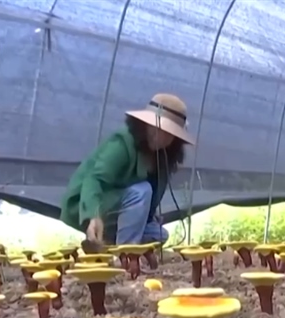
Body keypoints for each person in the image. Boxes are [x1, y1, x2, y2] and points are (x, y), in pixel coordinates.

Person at [60, 93, 194, 246]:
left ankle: (110, 245)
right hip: (89, 204)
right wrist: (93, 215)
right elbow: (94, 180)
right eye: (155, 129)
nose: (159, 137)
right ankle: (126, 253)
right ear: (144, 125)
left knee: (158, 234)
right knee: (142, 190)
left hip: (120, 213)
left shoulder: (163, 159)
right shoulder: (123, 143)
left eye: (168, 134)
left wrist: (148, 215)